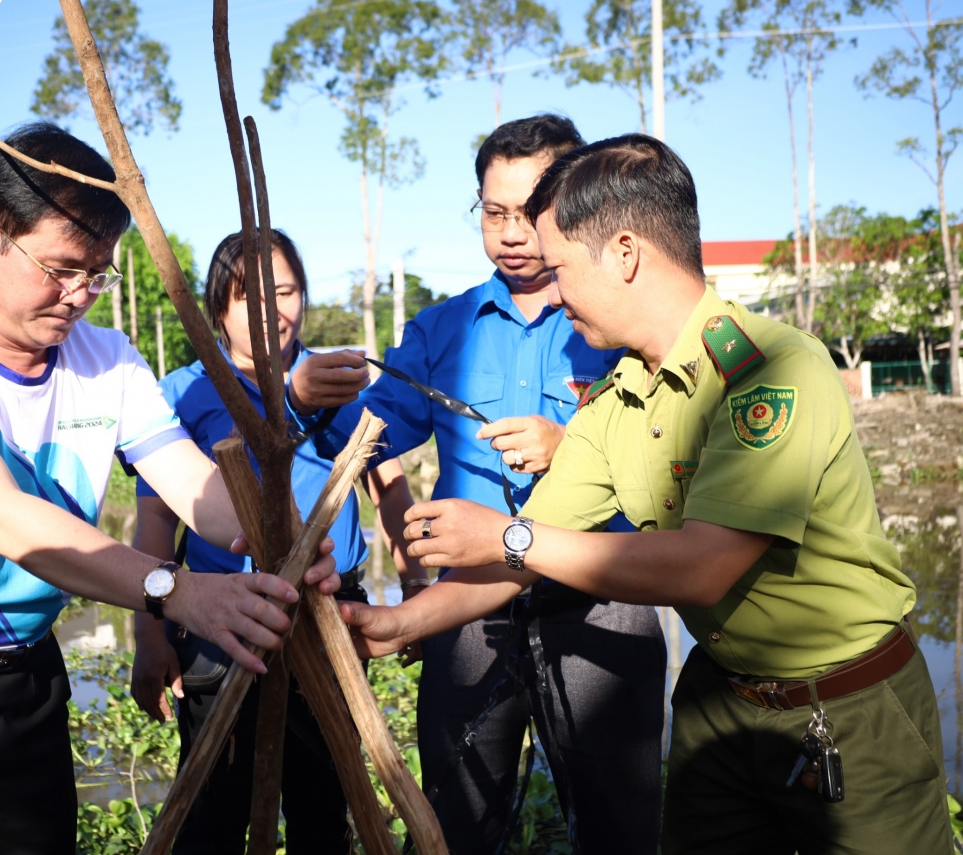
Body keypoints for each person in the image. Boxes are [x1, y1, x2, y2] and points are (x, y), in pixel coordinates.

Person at [343, 133, 952, 854]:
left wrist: (508, 535)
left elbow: (700, 564)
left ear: (625, 254)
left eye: (562, 266)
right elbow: (525, 557)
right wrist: (405, 622)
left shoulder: (770, 370)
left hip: (848, 707)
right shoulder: (618, 400)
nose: (553, 288)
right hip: (721, 701)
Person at [0, 123, 340, 855]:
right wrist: (176, 590)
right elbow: (4, 517)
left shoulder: (106, 359)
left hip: (24, 681)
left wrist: (284, 542)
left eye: (99, 274)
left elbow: (191, 483)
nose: (80, 295)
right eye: (61, 268)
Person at [288, 115, 666, 855]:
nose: (513, 232)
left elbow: (663, 454)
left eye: (531, 212)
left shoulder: (613, 322)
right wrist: (305, 401)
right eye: (495, 213)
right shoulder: (442, 329)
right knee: (455, 820)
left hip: (600, 597)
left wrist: (572, 445)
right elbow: (366, 438)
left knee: (618, 825)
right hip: (466, 608)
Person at [131, 229, 419, 853]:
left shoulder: (337, 381)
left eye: (285, 292)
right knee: (213, 807)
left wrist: (416, 584)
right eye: (248, 298)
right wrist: (148, 635)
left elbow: (388, 485)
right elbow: (156, 522)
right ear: (216, 312)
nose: (272, 311)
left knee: (324, 802)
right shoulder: (182, 393)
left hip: (327, 613)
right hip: (219, 617)